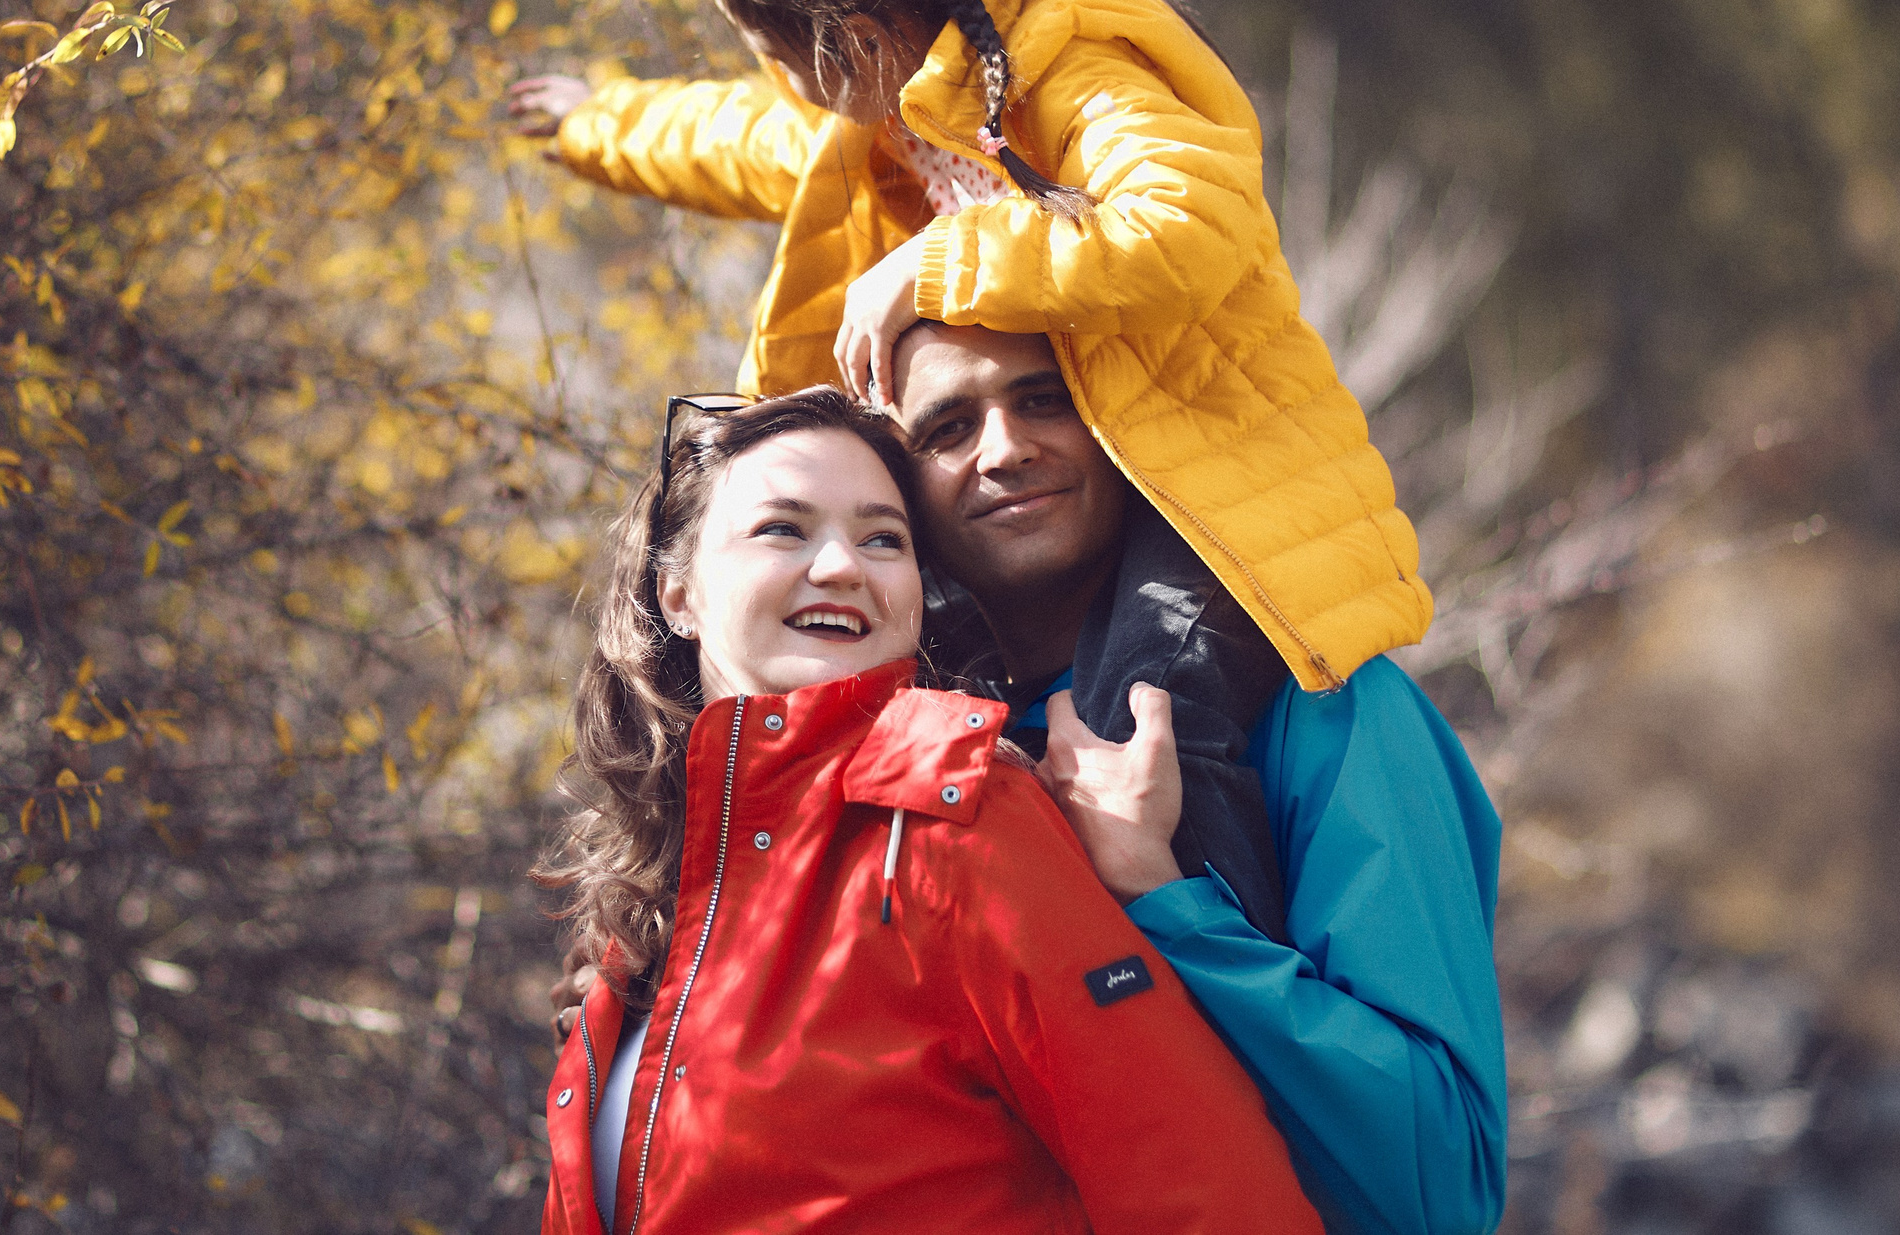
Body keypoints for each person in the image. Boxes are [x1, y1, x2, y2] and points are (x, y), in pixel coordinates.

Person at [508, 0, 1430, 950]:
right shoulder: (887, 108)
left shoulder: (1079, 55)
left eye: (780, 58)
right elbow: (737, 139)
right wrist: (600, 121)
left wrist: (936, 264)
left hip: (1203, 481)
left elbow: (1185, 227)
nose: (781, 88)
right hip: (1047, 476)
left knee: (1155, 708)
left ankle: (1213, 987)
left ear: (850, 27)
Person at [533, 387, 1322, 1234]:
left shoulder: (960, 815)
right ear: (678, 593)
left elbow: (1211, 1188)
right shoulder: (651, 909)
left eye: (884, 538)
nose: (844, 566)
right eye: (784, 528)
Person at [889, 320, 1509, 1235]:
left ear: (1121, 419)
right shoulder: (892, 766)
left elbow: (1440, 1185)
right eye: (946, 427)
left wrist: (1162, 894)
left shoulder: (1326, 699)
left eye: (1045, 399)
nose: (1005, 447)